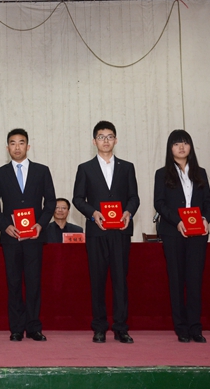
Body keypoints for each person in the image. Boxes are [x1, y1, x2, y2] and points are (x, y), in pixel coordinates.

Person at [72, 120, 139, 344]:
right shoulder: (85, 168)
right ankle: (99, 327)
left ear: (116, 140)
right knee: (97, 281)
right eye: (101, 137)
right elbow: (77, 199)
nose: (106, 141)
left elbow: (134, 197)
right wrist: (93, 213)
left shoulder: (127, 167)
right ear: (94, 141)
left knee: (121, 281)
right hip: (97, 231)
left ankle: (121, 328)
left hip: (120, 231)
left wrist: (128, 212)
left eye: (110, 137)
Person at [0, 128, 56, 342]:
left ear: (28, 146)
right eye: (13, 143)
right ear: (7, 147)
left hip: (34, 237)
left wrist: (41, 225)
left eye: (21, 142)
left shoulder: (42, 171)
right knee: (14, 283)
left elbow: (51, 202)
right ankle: (16, 328)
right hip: (11, 238)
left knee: (34, 283)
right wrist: (5, 226)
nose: (17, 147)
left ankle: (34, 327)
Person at [153, 129, 210, 343]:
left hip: (198, 233)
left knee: (195, 280)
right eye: (177, 143)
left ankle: (195, 327)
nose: (181, 147)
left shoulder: (200, 172)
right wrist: (177, 221)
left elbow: (209, 202)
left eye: (185, 143)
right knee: (177, 280)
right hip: (173, 232)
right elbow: (159, 203)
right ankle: (181, 328)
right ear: (170, 148)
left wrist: (205, 218)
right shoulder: (162, 173)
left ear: (190, 147)